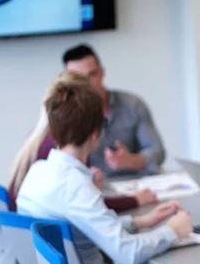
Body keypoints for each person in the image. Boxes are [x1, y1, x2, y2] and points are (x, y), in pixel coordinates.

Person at [17, 81, 193, 264]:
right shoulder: (75, 185)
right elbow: (127, 254)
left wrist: (139, 222)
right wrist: (172, 230)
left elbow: (82, 226)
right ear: (95, 134)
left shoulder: (38, 172)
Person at [6, 71, 157, 212]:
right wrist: (135, 200)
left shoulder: (41, 136)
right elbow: (89, 207)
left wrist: (90, 185)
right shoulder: (66, 144)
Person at [63, 44, 165, 177]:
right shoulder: (65, 115)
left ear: (101, 72)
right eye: (78, 79)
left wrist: (132, 161)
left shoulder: (133, 105)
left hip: (136, 185)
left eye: (91, 75)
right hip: (93, 189)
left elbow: (157, 151)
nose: (86, 84)